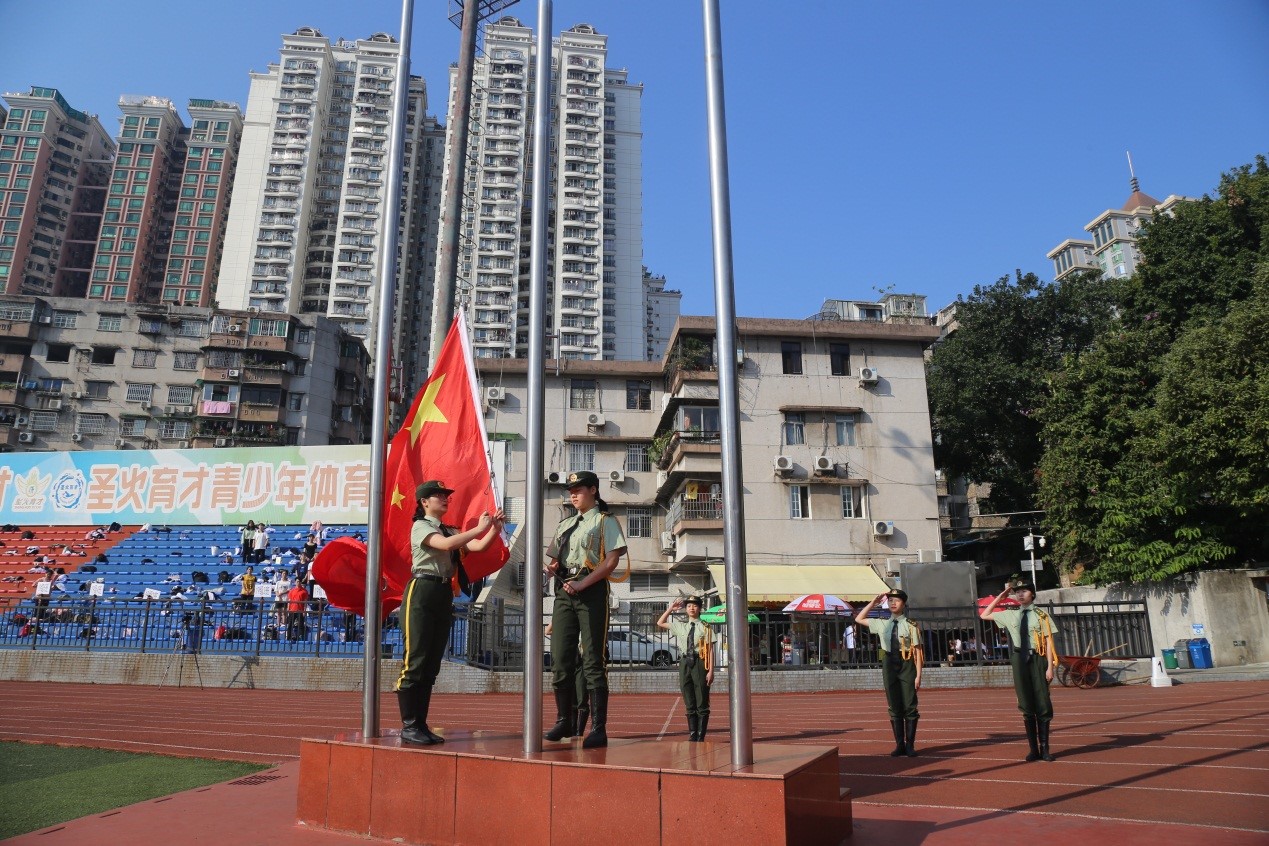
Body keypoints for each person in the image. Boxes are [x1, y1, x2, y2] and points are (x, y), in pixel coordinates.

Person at [395, 480, 504, 746]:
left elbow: (476, 547)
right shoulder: (422, 526)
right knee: (416, 661)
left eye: (446, 495)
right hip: (422, 589)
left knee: (431, 664)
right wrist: (478, 528)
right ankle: (409, 725)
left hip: (443, 592)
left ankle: (420, 724)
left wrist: (493, 530)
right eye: (438, 496)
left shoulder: (448, 529)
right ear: (424, 502)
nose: (445, 499)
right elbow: (444, 545)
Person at [543, 470, 626, 748]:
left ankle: (598, 728)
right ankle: (563, 720)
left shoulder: (605, 521)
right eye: (570, 491)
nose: (573, 494)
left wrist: (583, 584)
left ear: (593, 490)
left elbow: (611, 561)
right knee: (560, 659)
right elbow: (555, 559)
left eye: (578, 489)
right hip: (564, 593)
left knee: (592, 660)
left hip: (591, 591)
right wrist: (552, 568)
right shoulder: (564, 525)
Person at [981, 578, 1059, 762]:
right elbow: (984, 615)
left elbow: (1048, 642)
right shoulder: (1010, 613)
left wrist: (1050, 667)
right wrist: (1000, 597)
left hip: (1038, 658)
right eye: (1018, 592)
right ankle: (1033, 750)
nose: (1020, 594)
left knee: (1042, 701)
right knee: (1025, 700)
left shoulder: (1041, 615)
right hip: (1019, 658)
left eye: (1024, 591)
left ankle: (1045, 749)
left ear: (1032, 594)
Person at [855, 589, 923, 757]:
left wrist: (918, 675)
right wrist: (873, 602)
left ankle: (910, 745)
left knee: (910, 705)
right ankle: (899, 745)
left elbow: (918, 651)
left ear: (904, 604)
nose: (893, 603)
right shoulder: (882, 623)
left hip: (907, 663)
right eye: (890, 600)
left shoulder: (911, 625)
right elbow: (859, 618)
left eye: (897, 600)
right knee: (894, 704)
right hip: (888, 664)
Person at [657, 595, 714, 741]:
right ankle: (693, 734)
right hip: (684, 663)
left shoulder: (705, 626)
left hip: (700, 661)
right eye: (689, 606)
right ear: (686, 609)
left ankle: (701, 736)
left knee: (701, 697)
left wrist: (711, 671)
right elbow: (660, 622)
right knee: (687, 694)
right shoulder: (680, 626)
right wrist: (671, 608)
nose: (691, 608)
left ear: (700, 608)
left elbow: (710, 650)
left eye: (695, 605)